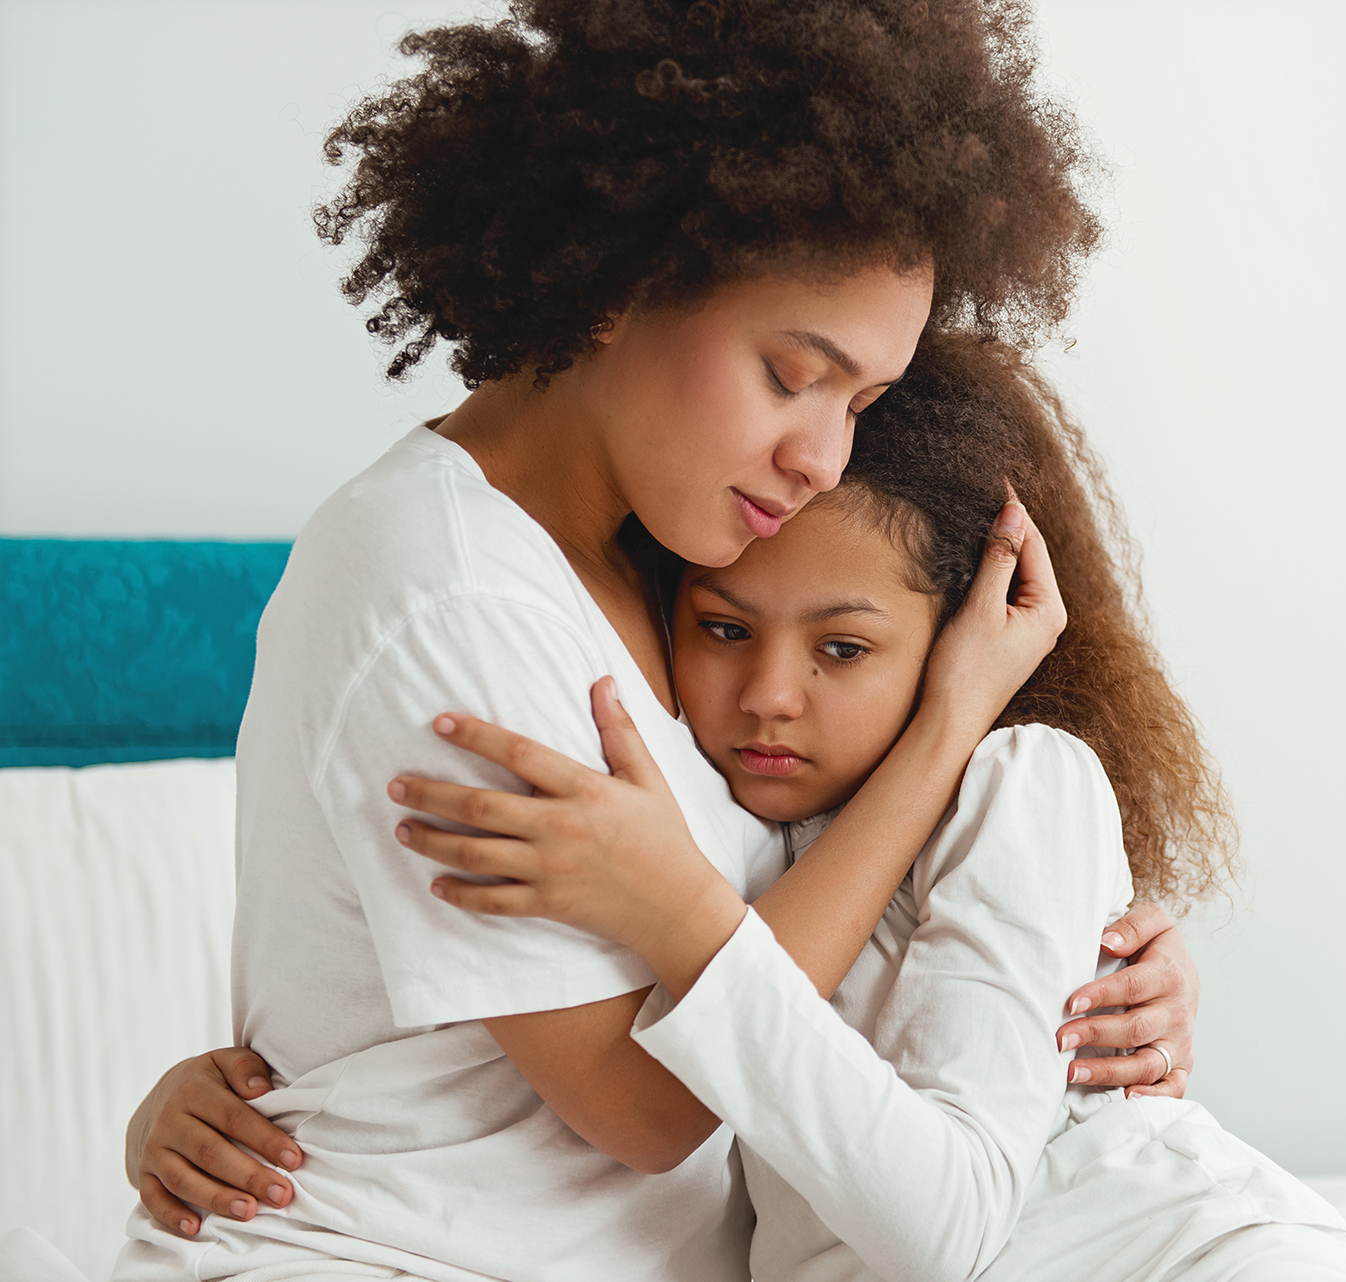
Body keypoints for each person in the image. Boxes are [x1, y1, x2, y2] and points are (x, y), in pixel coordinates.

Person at [115, 5, 1201, 1280]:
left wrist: (1079, 960)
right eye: (791, 374)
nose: (823, 454)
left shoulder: (677, 572)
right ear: (623, 278)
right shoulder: (448, 591)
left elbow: (800, 917)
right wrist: (951, 729)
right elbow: (654, 1103)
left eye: (859, 401)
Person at [325, 332, 1346, 1280]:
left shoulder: (1022, 782)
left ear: (961, 638)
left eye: (845, 646)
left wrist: (683, 914)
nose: (770, 696)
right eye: (723, 628)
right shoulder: (707, 824)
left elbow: (945, 1228)